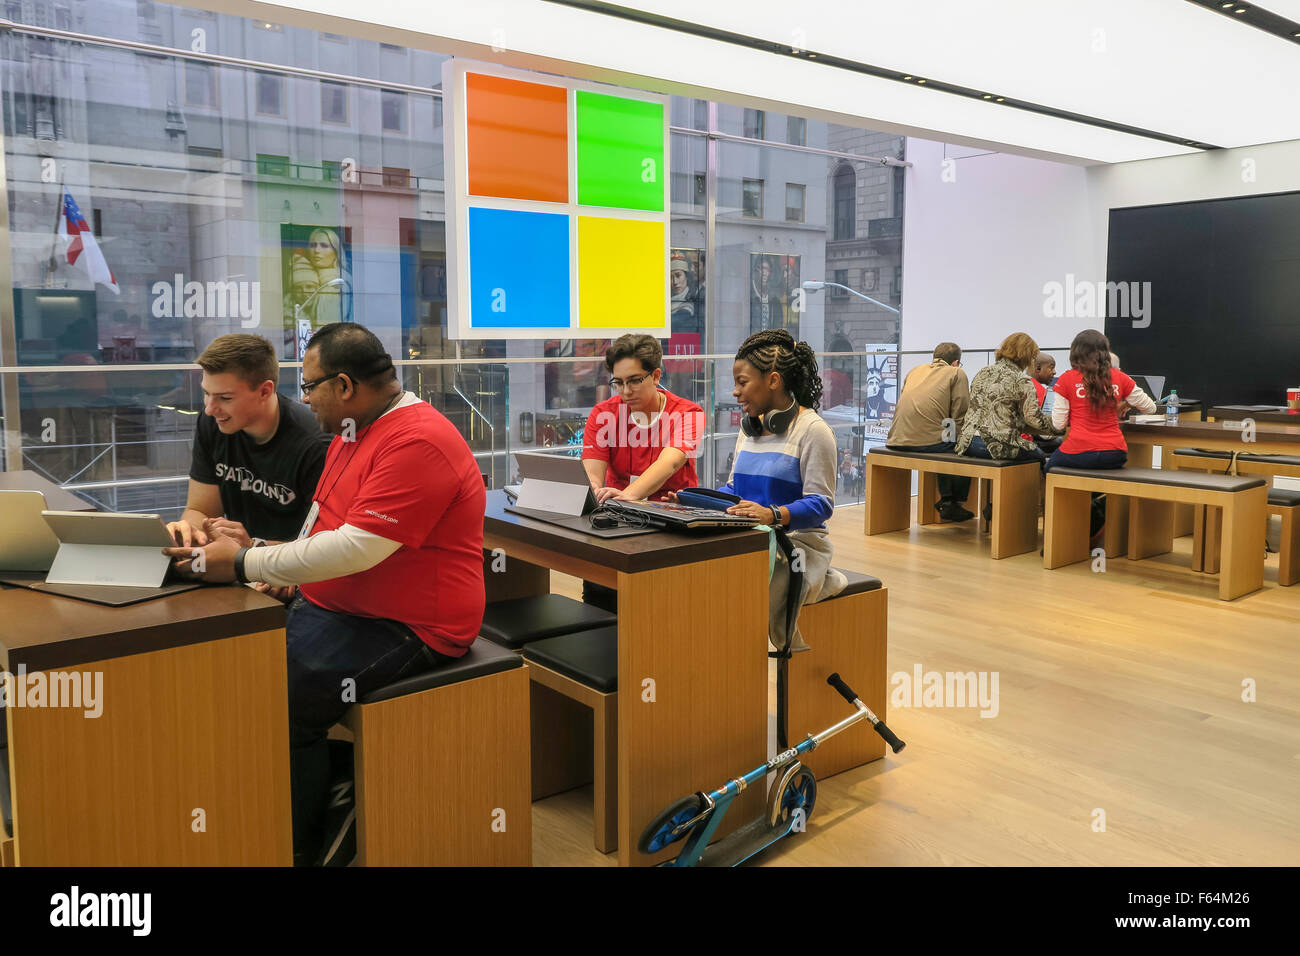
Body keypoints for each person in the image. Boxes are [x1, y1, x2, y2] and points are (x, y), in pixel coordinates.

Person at [164, 322, 486, 867]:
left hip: (415, 625)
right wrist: (266, 552)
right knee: (241, 671)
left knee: (283, 703)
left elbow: (357, 548)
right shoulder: (354, 429)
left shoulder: (418, 440)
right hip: (340, 606)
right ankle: (321, 786)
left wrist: (244, 561)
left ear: (343, 385)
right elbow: (324, 529)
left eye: (310, 385)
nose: (303, 397)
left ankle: (302, 846)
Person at [711, 329, 846, 652]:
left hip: (797, 544)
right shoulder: (751, 430)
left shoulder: (814, 431)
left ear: (773, 381)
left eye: (743, 382)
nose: (736, 391)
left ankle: (825, 579)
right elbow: (735, 488)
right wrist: (698, 501)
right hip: (752, 536)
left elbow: (820, 505)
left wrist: (773, 514)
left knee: (740, 596)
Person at [167, 333, 329, 549]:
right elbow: (201, 511)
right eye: (206, 393)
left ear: (264, 391)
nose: (209, 408)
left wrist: (253, 547)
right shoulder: (212, 423)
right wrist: (189, 532)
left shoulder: (315, 445)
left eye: (225, 398)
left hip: (289, 573)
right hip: (239, 566)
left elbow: (324, 547)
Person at [580, 333, 704, 612]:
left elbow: (669, 462)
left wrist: (627, 495)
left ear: (656, 375)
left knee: (659, 610)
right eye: (619, 382)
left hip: (671, 527)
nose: (625, 391)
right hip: (617, 522)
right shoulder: (603, 414)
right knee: (602, 602)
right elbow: (593, 473)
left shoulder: (688, 413)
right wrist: (596, 492)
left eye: (635, 380)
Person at [887, 342, 973, 521]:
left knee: (945, 438)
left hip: (896, 439)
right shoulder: (956, 373)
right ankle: (951, 502)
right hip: (926, 443)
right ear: (956, 363)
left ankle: (948, 500)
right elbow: (960, 415)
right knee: (962, 447)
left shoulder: (915, 371)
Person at [1048, 329, 1155, 472]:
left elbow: (1058, 424)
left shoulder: (1066, 379)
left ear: (1075, 352)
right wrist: (1126, 403)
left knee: (1048, 467)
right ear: (1105, 352)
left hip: (1078, 451)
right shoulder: (1120, 377)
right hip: (1115, 453)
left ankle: (1084, 494)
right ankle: (1096, 494)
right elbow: (1150, 408)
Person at [956, 332, 1059, 466]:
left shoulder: (983, 372)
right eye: (1033, 357)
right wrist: (1061, 426)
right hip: (994, 446)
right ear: (1026, 355)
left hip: (966, 443)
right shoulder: (1021, 380)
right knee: (1039, 456)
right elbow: (1034, 419)